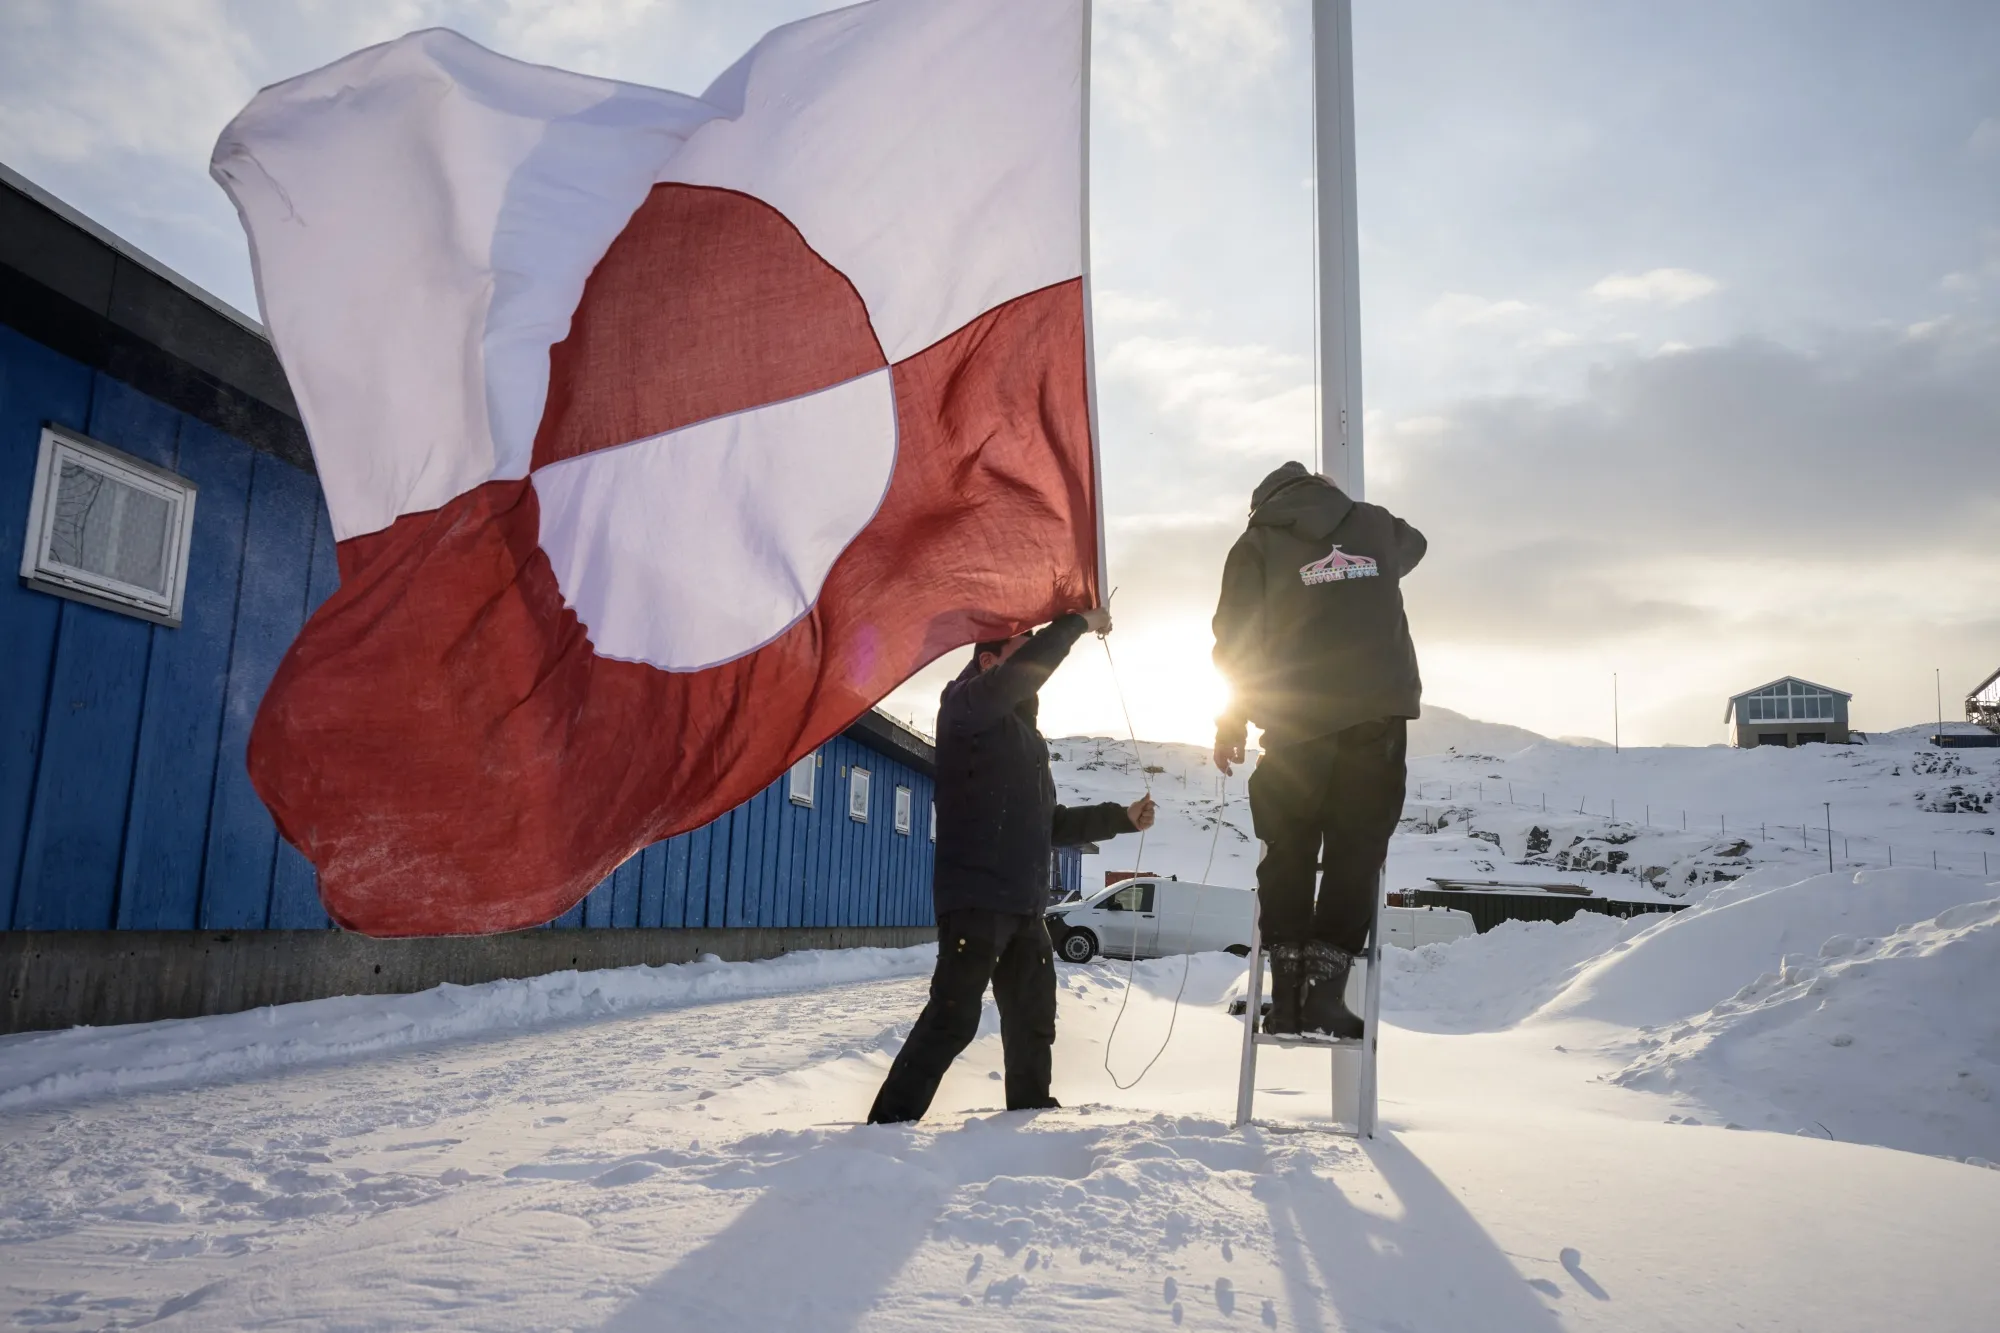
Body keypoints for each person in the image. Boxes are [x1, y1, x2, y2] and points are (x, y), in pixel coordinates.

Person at [868, 608, 1156, 1124]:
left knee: (1032, 1018)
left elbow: (1048, 824)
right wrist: (1071, 625)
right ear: (988, 662)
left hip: (1024, 904)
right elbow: (1023, 674)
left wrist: (1124, 818)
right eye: (1021, 648)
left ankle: (1029, 1117)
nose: (1031, 657)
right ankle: (888, 1126)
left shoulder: (1024, 739)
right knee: (953, 1019)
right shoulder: (965, 710)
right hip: (977, 900)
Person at [1210, 461, 1425, 1041]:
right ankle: (1326, 995)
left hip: (1294, 721)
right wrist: (1351, 528)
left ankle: (1287, 996)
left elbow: (1235, 642)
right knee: (1357, 852)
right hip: (1375, 720)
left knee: (1289, 849)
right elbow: (1416, 546)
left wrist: (1231, 720)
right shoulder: (1375, 524)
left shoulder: (1254, 544)